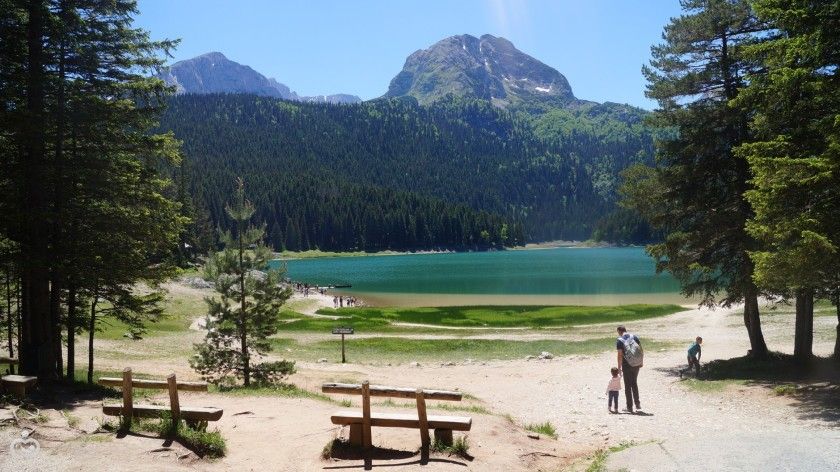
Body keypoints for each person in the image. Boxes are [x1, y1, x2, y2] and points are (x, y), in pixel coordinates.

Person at [616, 325, 643, 413]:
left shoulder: (620, 340)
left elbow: (620, 355)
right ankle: (637, 404)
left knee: (628, 386)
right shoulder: (634, 336)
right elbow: (641, 349)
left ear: (619, 331)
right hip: (637, 363)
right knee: (634, 383)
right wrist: (641, 361)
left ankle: (629, 407)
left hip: (627, 364)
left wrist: (619, 367)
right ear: (625, 330)